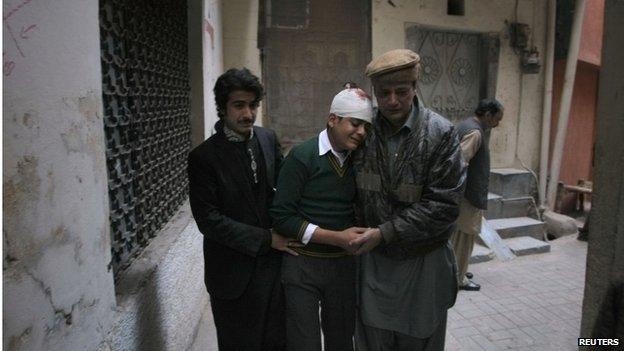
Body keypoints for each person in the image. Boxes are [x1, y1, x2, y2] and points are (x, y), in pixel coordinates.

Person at [349, 49, 466, 351]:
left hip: (423, 266)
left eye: (401, 91)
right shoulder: (363, 132)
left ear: (415, 88)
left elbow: (443, 206)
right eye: (383, 93)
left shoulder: (441, 133)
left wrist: (384, 232)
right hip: (374, 266)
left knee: (420, 338)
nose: (392, 100)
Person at [188, 68, 295, 351]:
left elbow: (284, 192)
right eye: (239, 105)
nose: (248, 113)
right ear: (223, 108)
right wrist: (266, 238)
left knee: (276, 342)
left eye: (253, 105)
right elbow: (209, 220)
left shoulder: (267, 139)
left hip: (273, 272)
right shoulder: (203, 158)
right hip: (232, 277)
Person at [270, 88, 373, 351]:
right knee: (304, 342)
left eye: (366, 127)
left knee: (341, 340)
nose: (361, 132)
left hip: (343, 268)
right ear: (332, 119)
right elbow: (282, 216)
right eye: (355, 123)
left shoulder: (361, 160)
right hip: (302, 266)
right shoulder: (301, 157)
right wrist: (336, 238)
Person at [452, 99, 504, 291]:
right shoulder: (475, 132)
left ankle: (459, 270)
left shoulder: (467, 125)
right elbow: (459, 162)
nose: (497, 124)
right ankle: (458, 278)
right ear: (488, 115)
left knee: (459, 237)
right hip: (467, 196)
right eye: (496, 119)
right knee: (464, 237)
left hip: (465, 194)